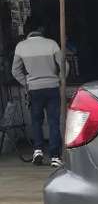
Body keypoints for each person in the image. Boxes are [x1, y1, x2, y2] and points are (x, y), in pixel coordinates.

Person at [11, 18, 63, 167]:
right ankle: (55, 157)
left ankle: (38, 150)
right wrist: (59, 79)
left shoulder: (21, 47)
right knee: (53, 122)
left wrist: (26, 82)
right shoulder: (52, 44)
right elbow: (64, 66)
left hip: (34, 89)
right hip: (52, 87)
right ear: (41, 30)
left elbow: (15, 70)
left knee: (36, 121)